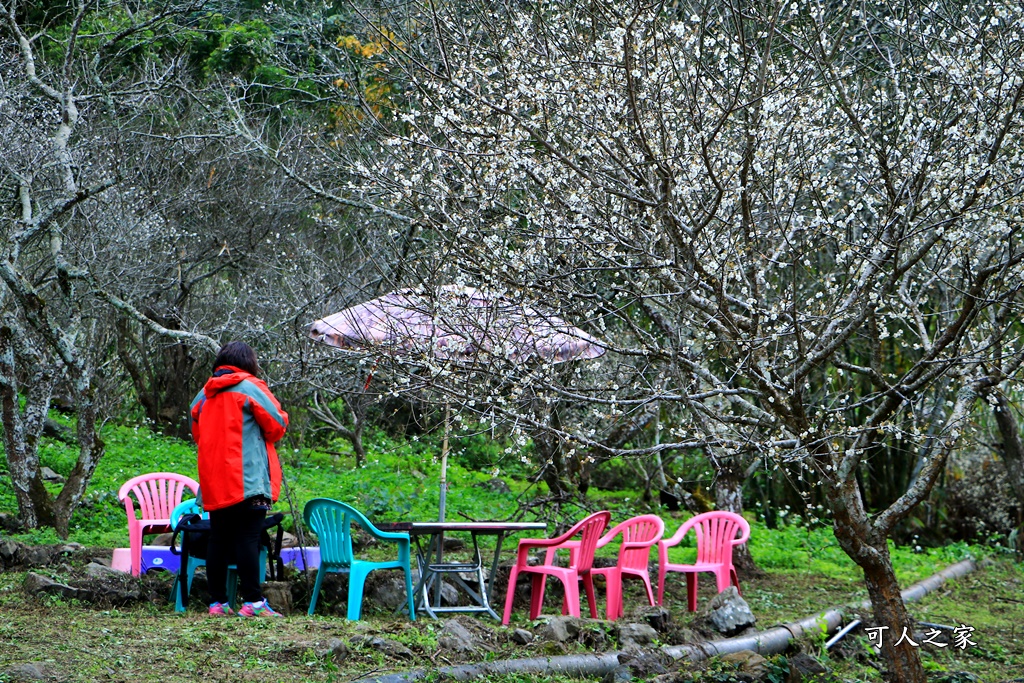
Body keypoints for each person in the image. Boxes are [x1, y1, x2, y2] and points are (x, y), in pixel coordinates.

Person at [190, 341, 289, 617]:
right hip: (248, 477)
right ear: (249, 363)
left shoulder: (202, 397)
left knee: (218, 538)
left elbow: (197, 434)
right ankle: (253, 603)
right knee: (248, 536)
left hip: (214, 478)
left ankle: (217, 603)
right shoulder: (250, 388)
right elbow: (277, 424)